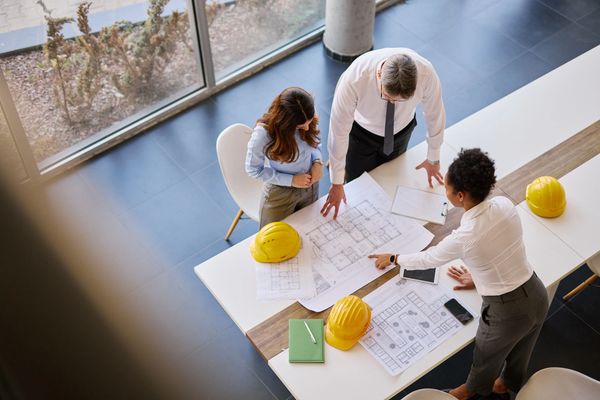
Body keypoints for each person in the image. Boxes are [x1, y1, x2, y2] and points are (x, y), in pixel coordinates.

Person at [369, 148, 548, 400]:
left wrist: (394, 258)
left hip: (506, 311)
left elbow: (429, 258)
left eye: (449, 189)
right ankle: (507, 383)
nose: (447, 192)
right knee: (522, 348)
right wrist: (479, 276)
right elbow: (501, 247)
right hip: (537, 293)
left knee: (486, 353)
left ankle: (471, 391)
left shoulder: (466, 237)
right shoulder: (505, 204)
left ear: (461, 196)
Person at [322, 48, 446, 219]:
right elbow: (338, 131)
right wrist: (336, 182)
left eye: (399, 100)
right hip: (361, 133)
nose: (392, 103)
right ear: (379, 74)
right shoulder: (354, 78)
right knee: (359, 183)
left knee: (390, 176)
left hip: (401, 130)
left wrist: (434, 156)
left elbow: (435, 114)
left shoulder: (426, 74)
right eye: (387, 97)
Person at [245, 87, 323, 228]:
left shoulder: (305, 115)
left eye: (309, 122)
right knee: (273, 239)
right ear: (286, 122)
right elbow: (253, 169)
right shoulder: (263, 134)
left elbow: (315, 144)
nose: (306, 128)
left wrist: (317, 161)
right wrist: (291, 180)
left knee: (310, 230)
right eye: (300, 126)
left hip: (310, 184)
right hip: (280, 192)